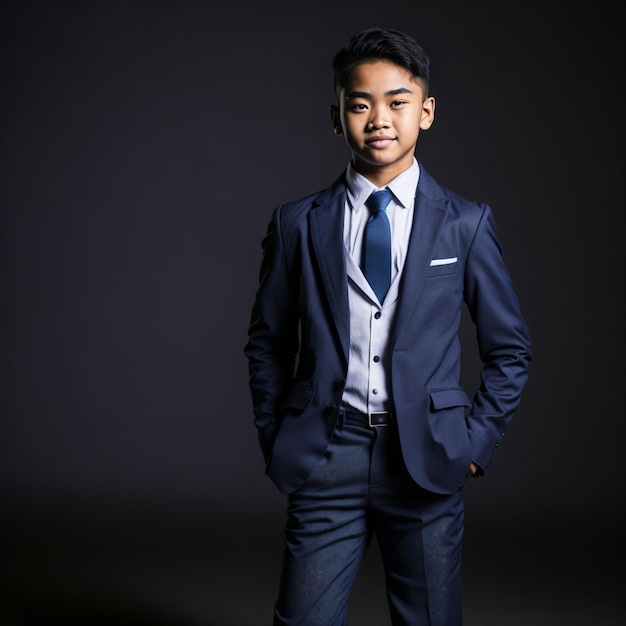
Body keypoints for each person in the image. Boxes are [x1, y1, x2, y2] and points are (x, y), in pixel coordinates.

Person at [244, 26, 532, 626]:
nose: (379, 118)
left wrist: (473, 445)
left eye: (397, 102)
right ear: (336, 117)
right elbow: (268, 341)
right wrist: (277, 432)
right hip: (328, 454)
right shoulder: (298, 223)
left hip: (426, 459)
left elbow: (510, 350)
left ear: (425, 112)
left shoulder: (465, 223)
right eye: (360, 103)